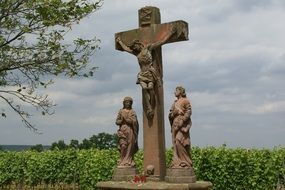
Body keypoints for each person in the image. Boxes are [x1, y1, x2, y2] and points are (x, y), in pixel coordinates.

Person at [116, 31, 174, 120]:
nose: (134, 48)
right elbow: (126, 49)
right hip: (142, 75)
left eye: (135, 46)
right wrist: (120, 41)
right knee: (144, 88)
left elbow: (161, 42)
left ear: (138, 44)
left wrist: (170, 33)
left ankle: (152, 106)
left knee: (150, 88)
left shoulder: (148, 48)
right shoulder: (137, 54)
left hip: (150, 74)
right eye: (133, 48)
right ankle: (149, 108)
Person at [169, 86, 193, 168]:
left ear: (181, 91)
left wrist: (183, 120)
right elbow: (170, 115)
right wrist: (174, 113)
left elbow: (189, 111)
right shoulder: (174, 103)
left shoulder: (185, 101)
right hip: (175, 124)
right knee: (175, 142)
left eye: (176, 90)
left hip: (182, 124)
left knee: (180, 141)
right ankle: (177, 161)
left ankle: (186, 161)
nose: (174, 92)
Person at [115, 96, 139, 167]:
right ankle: (122, 160)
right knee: (123, 145)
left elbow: (134, 121)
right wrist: (121, 121)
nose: (127, 103)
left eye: (129, 102)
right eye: (126, 102)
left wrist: (129, 120)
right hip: (122, 130)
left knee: (130, 146)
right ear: (124, 103)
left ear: (131, 103)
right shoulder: (121, 111)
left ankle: (128, 161)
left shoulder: (132, 111)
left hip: (130, 130)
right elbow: (117, 121)